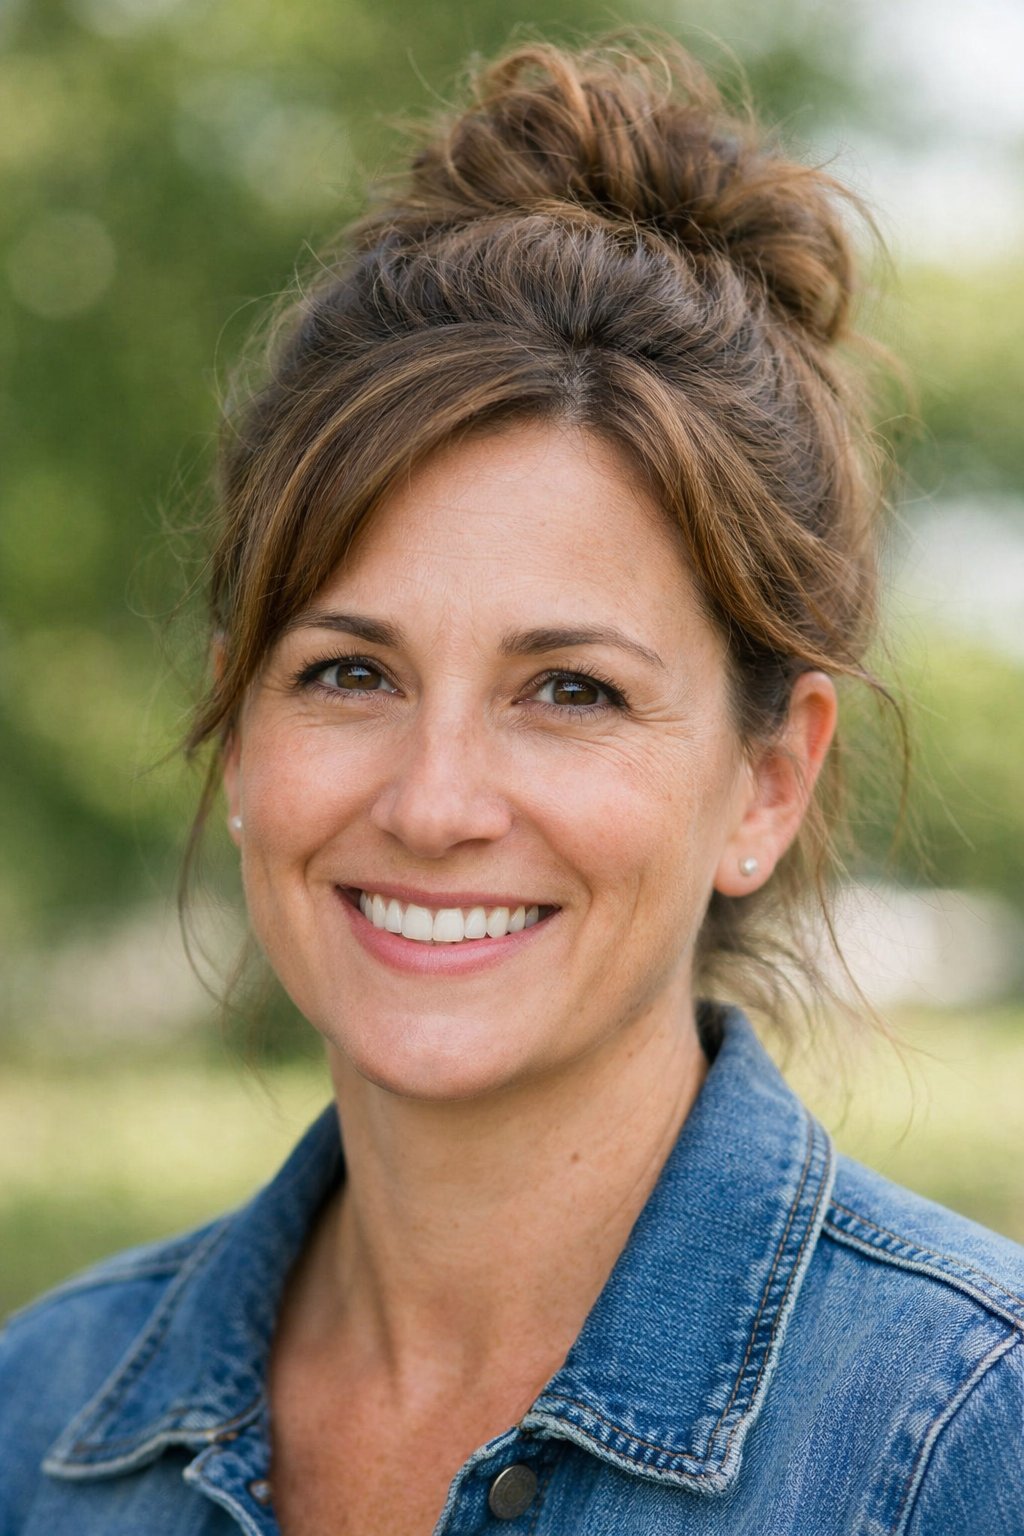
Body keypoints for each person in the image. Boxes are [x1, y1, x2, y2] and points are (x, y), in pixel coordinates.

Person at [1, 35, 1022, 1536]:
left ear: (768, 783)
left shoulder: (971, 1443)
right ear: (238, 730)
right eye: (350, 672)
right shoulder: (38, 1420)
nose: (434, 804)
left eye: (571, 691)